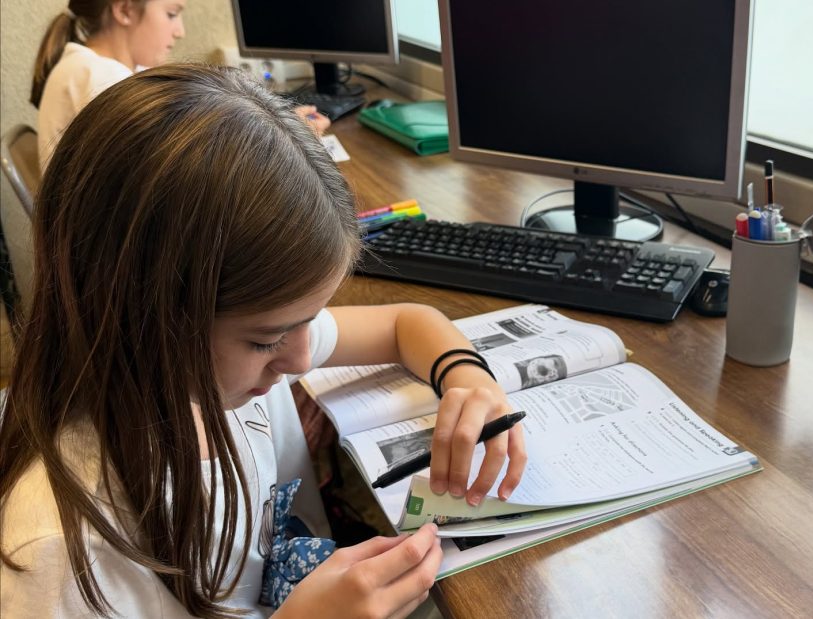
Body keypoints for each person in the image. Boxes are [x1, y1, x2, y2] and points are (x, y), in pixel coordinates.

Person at [0, 64, 525, 618]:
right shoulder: (58, 558)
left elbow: (407, 323)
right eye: (265, 341)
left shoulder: (216, 362)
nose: (301, 360)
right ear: (143, 318)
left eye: (310, 321)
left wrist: (468, 377)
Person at [31, 0, 330, 172]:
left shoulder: (94, 68)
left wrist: (280, 128)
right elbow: (181, 174)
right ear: (124, 10)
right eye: (171, 14)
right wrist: (287, 143)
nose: (180, 31)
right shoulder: (102, 80)